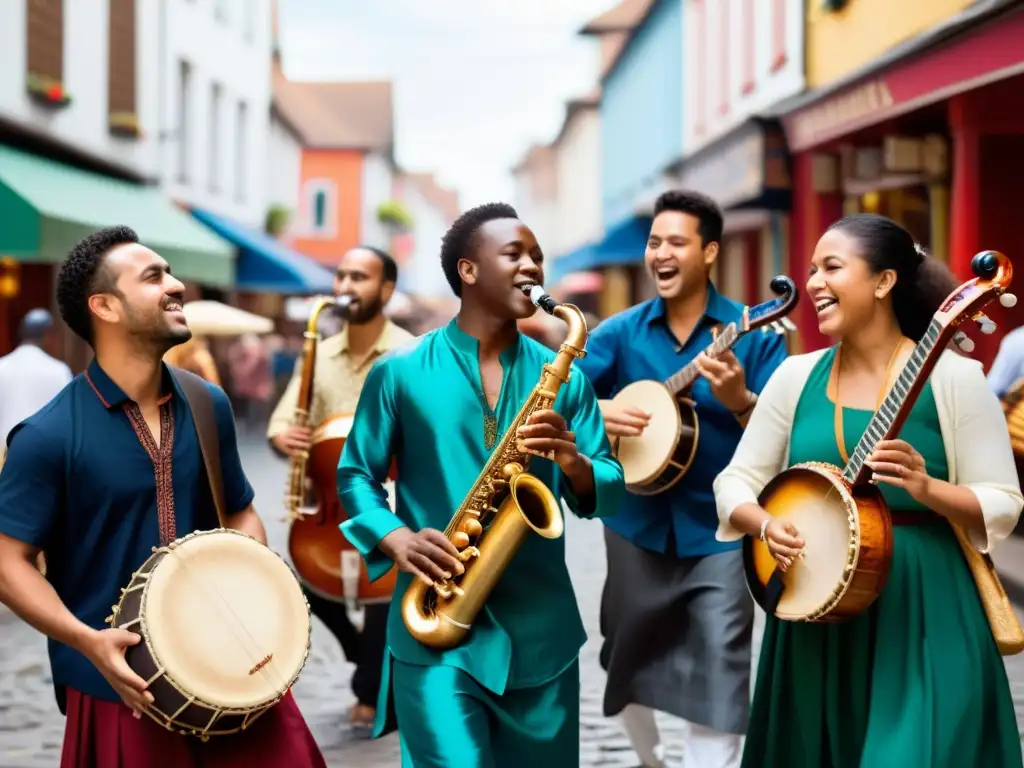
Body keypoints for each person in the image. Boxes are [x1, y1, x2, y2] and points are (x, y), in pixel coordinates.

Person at [0, 226, 326, 768]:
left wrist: (254, 581)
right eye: (154, 277)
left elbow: (241, 508)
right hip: (122, 689)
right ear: (104, 306)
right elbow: (8, 562)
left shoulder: (208, 403)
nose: (176, 285)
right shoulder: (47, 436)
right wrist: (86, 642)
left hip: (233, 663)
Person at [714, 214, 1023, 767]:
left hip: (924, 603)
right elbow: (736, 480)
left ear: (884, 282)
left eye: (832, 267)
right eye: (811, 270)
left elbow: (1003, 499)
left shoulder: (955, 379)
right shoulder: (794, 377)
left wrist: (928, 488)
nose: (812, 283)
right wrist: (761, 523)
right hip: (815, 601)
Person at [336, 202, 625, 767]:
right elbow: (355, 474)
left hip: (543, 634)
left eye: (537, 257)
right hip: (437, 626)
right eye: (514, 254)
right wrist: (396, 538)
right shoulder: (398, 371)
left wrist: (573, 462)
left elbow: (609, 481)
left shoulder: (565, 376)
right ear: (468, 271)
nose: (532, 267)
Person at [575, 189, 788, 768]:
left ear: (710, 251)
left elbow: (779, 440)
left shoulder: (758, 333)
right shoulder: (617, 333)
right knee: (624, 653)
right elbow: (562, 402)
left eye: (675, 242)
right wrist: (600, 411)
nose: (659, 253)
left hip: (719, 524)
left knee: (722, 656)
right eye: (653, 242)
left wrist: (739, 399)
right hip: (634, 522)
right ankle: (651, 761)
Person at [267, 244, 414, 729]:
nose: (347, 287)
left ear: (386, 289)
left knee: (381, 598)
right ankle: (363, 660)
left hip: (388, 500)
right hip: (328, 507)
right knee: (304, 582)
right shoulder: (318, 353)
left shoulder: (411, 352)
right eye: (342, 276)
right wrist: (282, 435)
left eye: (360, 277)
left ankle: (371, 690)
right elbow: (286, 418)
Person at [0, 308, 73, 450]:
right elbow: (68, 422)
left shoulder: (2, 366)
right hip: (43, 457)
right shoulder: (59, 371)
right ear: (48, 335)